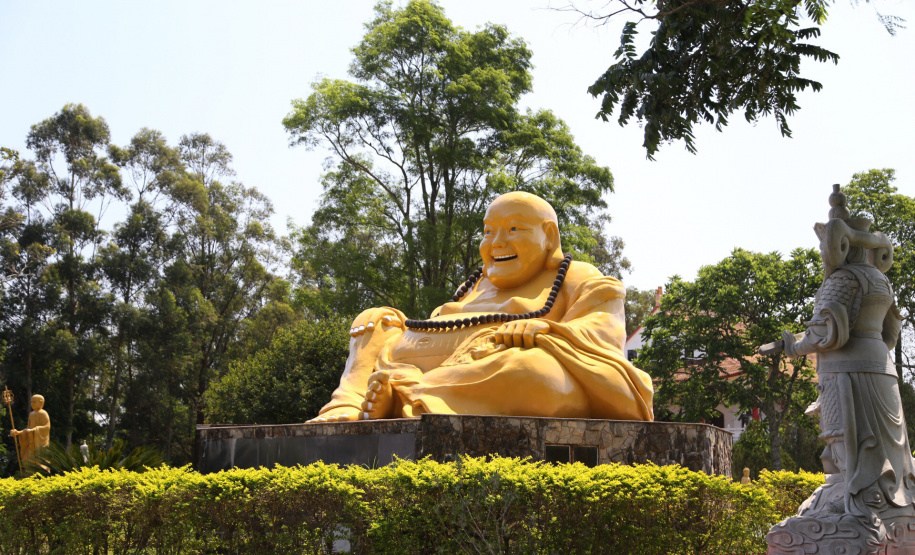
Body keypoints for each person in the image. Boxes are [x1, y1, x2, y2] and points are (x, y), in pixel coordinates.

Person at [311, 191, 653, 422]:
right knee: (375, 319)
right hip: (423, 355)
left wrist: (547, 328)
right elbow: (435, 321)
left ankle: (407, 396)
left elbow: (604, 331)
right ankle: (348, 402)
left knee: (536, 374)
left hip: (495, 365)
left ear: (549, 235)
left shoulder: (576, 276)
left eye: (513, 229)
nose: (496, 243)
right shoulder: (474, 285)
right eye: (488, 232)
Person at [10, 394, 51, 462]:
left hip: (39, 443)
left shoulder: (43, 413)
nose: (32, 404)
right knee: (27, 460)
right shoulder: (31, 414)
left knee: (40, 461)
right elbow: (28, 428)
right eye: (31, 402)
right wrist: (18, 432)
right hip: (31, 442)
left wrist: (35, 429)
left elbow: (47, 427)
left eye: (34, 402)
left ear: (40, 402)